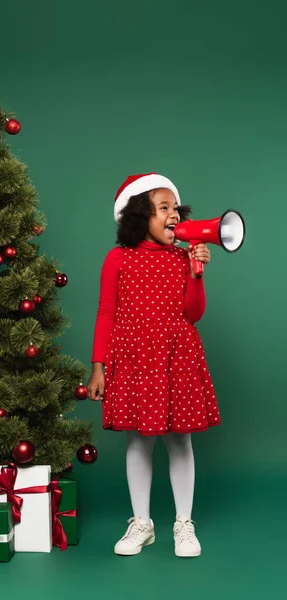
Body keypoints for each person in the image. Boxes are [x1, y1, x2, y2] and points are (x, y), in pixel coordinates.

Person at [87, 173, 220, 558]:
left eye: (175, 207)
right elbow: (106, 311)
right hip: (133, 358)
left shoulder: (183, 258)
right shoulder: (117, 259)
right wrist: (99, 366)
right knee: (138, 439)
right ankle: (142, 522)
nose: (173, 214)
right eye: (164, 208)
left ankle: (183, 523)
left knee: (180, 439)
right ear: (138, 216)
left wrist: (197, 276)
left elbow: (193, 314)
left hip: (176, 356)